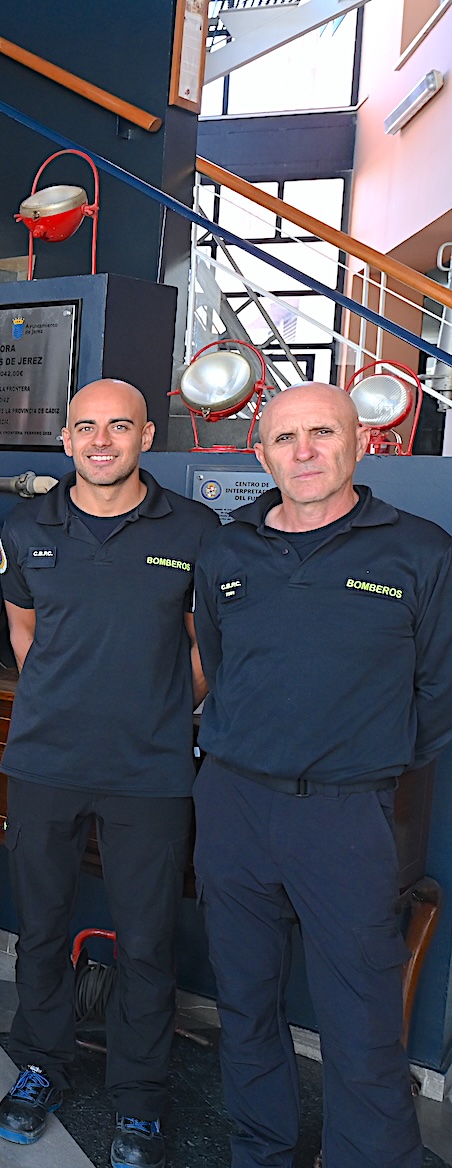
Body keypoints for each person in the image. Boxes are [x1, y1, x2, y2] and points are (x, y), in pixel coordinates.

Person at [193, 383, 452, 1168]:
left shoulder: (420, 551)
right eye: (285, 439)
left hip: (348, 818)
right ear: (261, 453)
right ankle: (261, 1148)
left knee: (362, 1018)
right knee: (243, 1002)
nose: (303, 452)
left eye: (322, 434)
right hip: (234, 806)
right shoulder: (227, 549)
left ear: (361, 444)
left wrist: (357, 760)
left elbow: (438, 694)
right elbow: (220, 660)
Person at [0, 380, 218, 1168]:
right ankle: (40, 1066)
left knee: (149, 943)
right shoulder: (28, 526)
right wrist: (66, 696)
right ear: (65, 439)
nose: (100, 440)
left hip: (150, 771)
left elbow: (203, 647)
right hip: (46, 762)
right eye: (85, 426)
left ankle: (141, 1100)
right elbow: (24, 630)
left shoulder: (192, 528)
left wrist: (155, 707)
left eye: (118, 426)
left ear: (145, 436)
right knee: (43, 929)